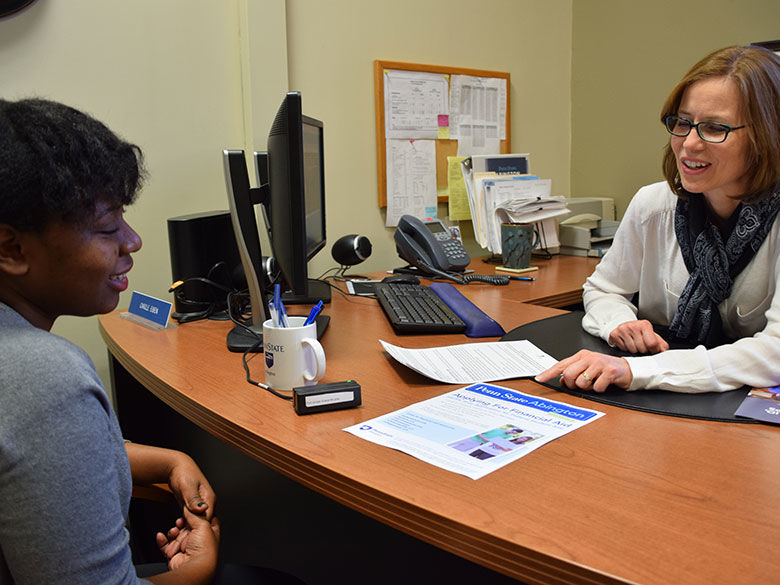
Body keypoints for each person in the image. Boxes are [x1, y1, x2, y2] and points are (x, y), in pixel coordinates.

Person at [0, 99, 303, 585]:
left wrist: (169, 459)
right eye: (106, 227)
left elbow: (33, 452)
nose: (132, 240)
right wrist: (199, 569)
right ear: (12, 249)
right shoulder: (44, 376)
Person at [537, 45, 780, 394]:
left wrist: (638, 371)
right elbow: (604, 289)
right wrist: (619, 323)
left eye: (714, 128)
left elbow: (774, 352)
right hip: (660, 396)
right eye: (683, 122)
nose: (689, 144)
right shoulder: (654, 204)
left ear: (766, 136)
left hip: (740, 406)